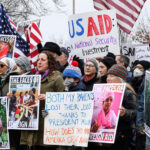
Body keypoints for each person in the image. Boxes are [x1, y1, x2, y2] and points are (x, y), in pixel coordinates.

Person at [20, 49, 65, 150]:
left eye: (43, 60)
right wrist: (13, 96)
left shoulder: (57, 78)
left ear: (49, 62)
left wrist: (48, 97)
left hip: (46, 127)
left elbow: (64, 100)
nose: (39, 62)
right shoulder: (31, 79)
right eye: (38, 60)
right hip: (30, 128)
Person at [88, 64, 138, 150]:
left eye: (111, 76)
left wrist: (125, 112)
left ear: (120, 79)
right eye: (108, 76)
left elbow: (135, 112)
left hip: (120, 136)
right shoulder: (101, 91)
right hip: (100, 138)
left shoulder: (128, 93)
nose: (108, 79)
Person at [131, 60, 150, 150]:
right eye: (136, 67)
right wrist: (140, 125)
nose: (137, 70)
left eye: (140, 68)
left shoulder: (146, 79)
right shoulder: (146, 79)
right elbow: (142, 104)